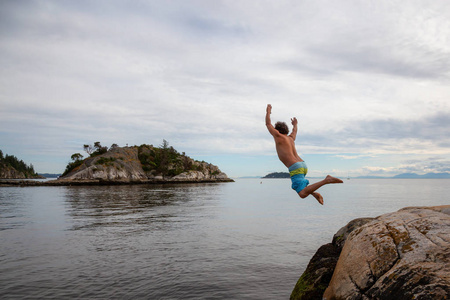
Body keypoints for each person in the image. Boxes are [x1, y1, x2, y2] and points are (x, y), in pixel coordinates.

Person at [265, 104, 343, 205]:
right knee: (296, 187)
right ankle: (315, 194)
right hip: (302, 165)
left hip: (295, 167)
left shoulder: (278, 136)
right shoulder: (291, 138)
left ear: (277, 130)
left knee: (302, 193)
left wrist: (268, 112)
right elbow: (294, 131)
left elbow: (268, 124)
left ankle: (327, 180)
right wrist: (295, 124)